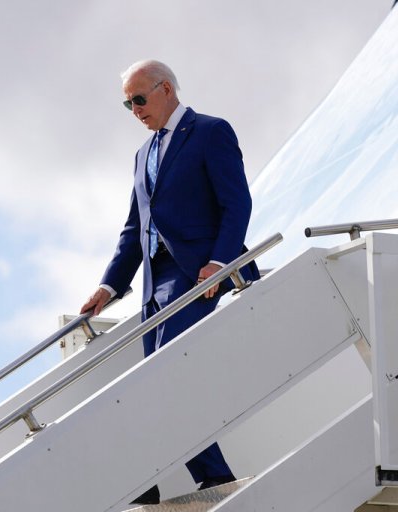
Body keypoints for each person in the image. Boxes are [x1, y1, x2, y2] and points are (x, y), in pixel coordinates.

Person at [80, 59, 259, 505]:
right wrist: (108, 287)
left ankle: (152, 478)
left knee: (162, 374)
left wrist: (220, 261)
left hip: (198, 273)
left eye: (139, 99)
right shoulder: (142, 155)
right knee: (158, 380)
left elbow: (237, 202)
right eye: (127, 104)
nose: (135, 110)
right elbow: (133, 229)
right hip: (154, 283)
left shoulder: (210, 131)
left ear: (166, 90)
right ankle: (209, 477)